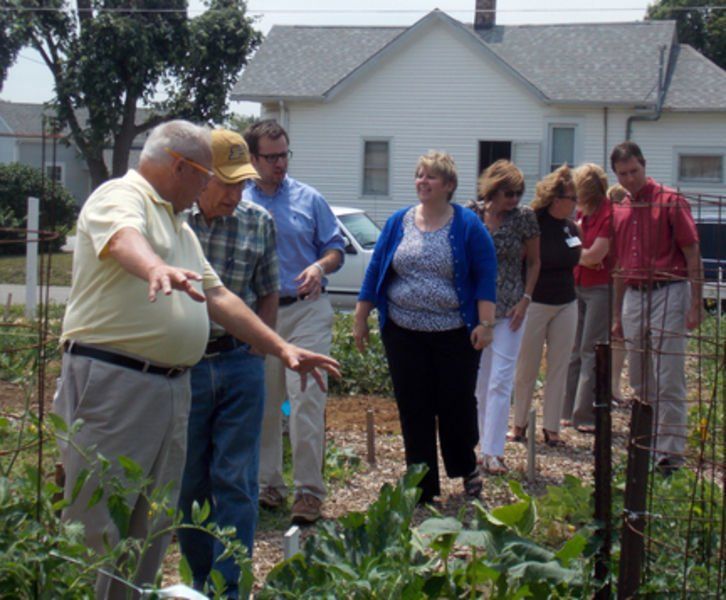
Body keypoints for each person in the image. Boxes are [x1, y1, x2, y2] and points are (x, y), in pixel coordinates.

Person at [53, 120, 339, 599]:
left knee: (152, 521)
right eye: (204, 175)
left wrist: (282, 348)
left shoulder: (176, 221)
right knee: (101, 518)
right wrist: (155, 268)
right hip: (116, 380)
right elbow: (124, 239)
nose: (210, 186)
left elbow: (220, 296)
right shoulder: (121, 197)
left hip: (168, 385)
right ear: (180, 167)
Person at [354, 150, 497, 504]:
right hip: (403, 332)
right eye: (419, 175)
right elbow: (375, 272)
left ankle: (466, 468)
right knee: (413, 406)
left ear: (448, 185)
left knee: (456, 404)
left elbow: (485, 275)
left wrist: (486, 323)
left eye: (431, 176)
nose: (423, 181)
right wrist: (361, 317)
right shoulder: (398, 222)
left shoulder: (467, 225)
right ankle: (422, 482)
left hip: (453, 333)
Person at [177, 129, 278, 596]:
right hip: (186, 365)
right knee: (188, 482)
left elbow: (268, 289)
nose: (237, 195)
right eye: (228, 184)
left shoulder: (259, 222)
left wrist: (260, 348)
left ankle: (228, 587)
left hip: (240, 365)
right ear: (202, 177)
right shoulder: (177, 223)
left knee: (235, 480)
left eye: (243, 184)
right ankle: (201, 577)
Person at [243, 120, 345, 525]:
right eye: (271, 157)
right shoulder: (239, 200)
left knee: (304, 401)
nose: (280, 163)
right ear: (253, 159)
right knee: (265, 404)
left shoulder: (310, 198)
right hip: (260, 317)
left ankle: (308, 491)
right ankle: (269, 485)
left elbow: (335, 248)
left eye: (284, 154)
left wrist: (320, 267)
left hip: (306, 310)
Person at [610, 141, 703, 473]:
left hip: (669, 289)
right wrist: (617, 314)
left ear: (644, 165)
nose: (630, 179)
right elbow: (619, 263)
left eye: (634, 171)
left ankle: (670, 454)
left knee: (669, 375)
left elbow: (693, 253)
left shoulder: (670, 201)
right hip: (634, 294)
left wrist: (695, 302)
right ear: (616, 175)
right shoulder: (620, 208)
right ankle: (647, 446)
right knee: (640, 376)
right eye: (623, 174)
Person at [467, 160, 540, 475]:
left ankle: (494, 451)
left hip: (511, 308)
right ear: (492, 190)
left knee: (501, 381)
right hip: (478, 308)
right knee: (480, 382)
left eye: (518, 193)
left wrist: (526, 299)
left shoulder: (524, 218)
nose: (513, 199)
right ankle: (482, 445)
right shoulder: (471, 214)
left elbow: (535, 262)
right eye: (508, 193)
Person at [512, 164, 580, 447]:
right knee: (527, 366)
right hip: (536, 302)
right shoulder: (534, 223)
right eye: (571, 198)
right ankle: (519, 425)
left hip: (566, 301)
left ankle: (552, 429)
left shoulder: (571, 227)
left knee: (559, 366)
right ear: (556, 199)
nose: (575, 204)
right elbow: (521, 261)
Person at [562, 163, 613, 433]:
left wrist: (583, 256)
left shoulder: (607, 214)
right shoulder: (582, 214)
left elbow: (595, 256)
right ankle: (567, 410)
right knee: (573, 349)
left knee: (590, 350)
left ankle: (584, 414)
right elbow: (584, 252)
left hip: (599, 288)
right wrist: (586, 257)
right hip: (578, 283)